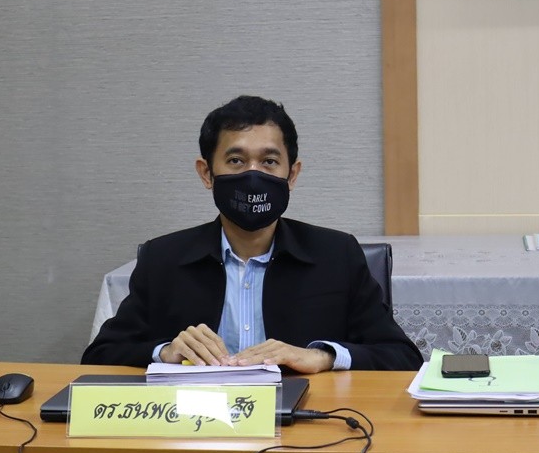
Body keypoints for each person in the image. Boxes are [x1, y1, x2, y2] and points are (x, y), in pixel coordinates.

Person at [82, 95, 422, 373]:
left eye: (269, 161)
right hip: (195, 423)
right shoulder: (164, 258)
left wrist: (322, 356)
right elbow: (100, 355)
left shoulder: (336, 254)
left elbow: (402, 357)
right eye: (236, 161)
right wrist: (166, 351)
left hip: (304, 421)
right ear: (206, 173)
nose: (253, 175)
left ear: (292, 175)